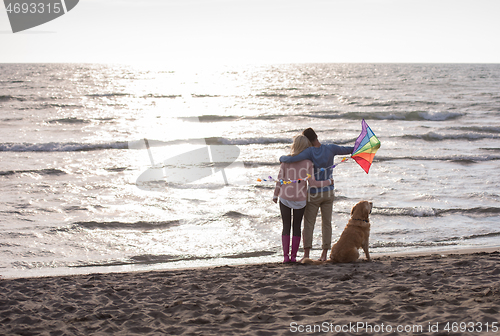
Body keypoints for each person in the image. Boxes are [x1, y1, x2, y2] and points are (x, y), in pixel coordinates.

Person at [279, 128, 354, 261]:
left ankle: (306, 255)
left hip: (314, 193)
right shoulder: (331, 148)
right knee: (327, 223)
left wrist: (281, 158)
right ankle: (324, 255)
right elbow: (347, 149)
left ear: (307, 140)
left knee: (309, 223)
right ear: (316, 136)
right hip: (329, 191)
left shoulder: (309, 152)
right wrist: (360, 147)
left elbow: (292, 158)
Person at [273, 134, 333, 263]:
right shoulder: (308, 163)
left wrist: (275, 194)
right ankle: (294, 256)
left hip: (285, 197)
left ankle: (285, 257)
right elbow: (313, 184)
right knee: (296, 227)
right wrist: (329, 181)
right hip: (300, 200)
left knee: (286, 226)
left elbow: (280, 180)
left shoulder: (285, 161)